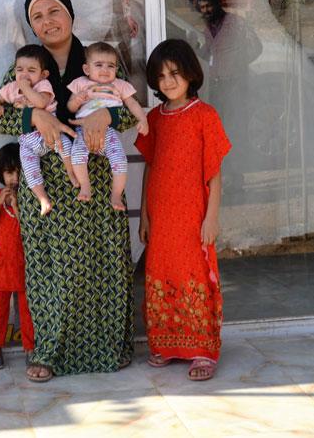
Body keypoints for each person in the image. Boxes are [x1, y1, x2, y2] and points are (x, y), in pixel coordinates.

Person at [0, 0, 137, 382]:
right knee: (52, 273)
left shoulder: (97, 60)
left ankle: (109, 347)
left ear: (70, 15)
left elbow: (128, 110)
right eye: (37, 17)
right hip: (47, 189)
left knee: (104, 266)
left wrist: (106, 118)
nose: (47, 21)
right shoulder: (27, 65)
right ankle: (50, 353)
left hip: (97, 180)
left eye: (54, 11)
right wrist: (33, 119)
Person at [136, 39, 231, 381]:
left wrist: (212, 217)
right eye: (161, 76)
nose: (168, 82)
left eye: (175, 73)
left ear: (190, 73)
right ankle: (165, 344)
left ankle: (202, 350)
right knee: (161, 272)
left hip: (193, 215)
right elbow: (150, 166)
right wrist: (145, 215)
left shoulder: (205, 116)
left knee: (195, 275)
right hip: (161, 216)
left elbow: (214, 172)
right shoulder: (154, 118)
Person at [0, 45, 77, 216]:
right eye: (20, 69)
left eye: (31, 70)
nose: (24, 74)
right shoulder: (12, 86)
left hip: (50, 135)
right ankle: (42, 198)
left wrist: (26, 88)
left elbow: (40, 103)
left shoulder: (43, 85)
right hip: (29, 140)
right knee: (30, 170)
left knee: (65, 146)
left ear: (43, 74)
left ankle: (72, 173)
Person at [66, 42, 148, 210]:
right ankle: (85, 185)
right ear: (87, 69)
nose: (105, 70)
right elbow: (70, 108)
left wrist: (143, 119)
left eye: (110, 66)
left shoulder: (119, 84)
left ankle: (116, 195)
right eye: (99, 65)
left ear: (116, 69)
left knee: (120, 160)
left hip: (108, 133)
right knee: (77, 155)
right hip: (83, 131)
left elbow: (132, 104)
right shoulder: (81, 83)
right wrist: (76, 101)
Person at [0, 143, 35, 370]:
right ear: (1, 173)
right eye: (9, 173)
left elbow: (29, 228)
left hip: (24, 265)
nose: (14, 178)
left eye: (19, 173)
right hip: (1, 265)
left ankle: (30, 348)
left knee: (27, 310)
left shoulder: (30, 198)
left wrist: (17, 205)